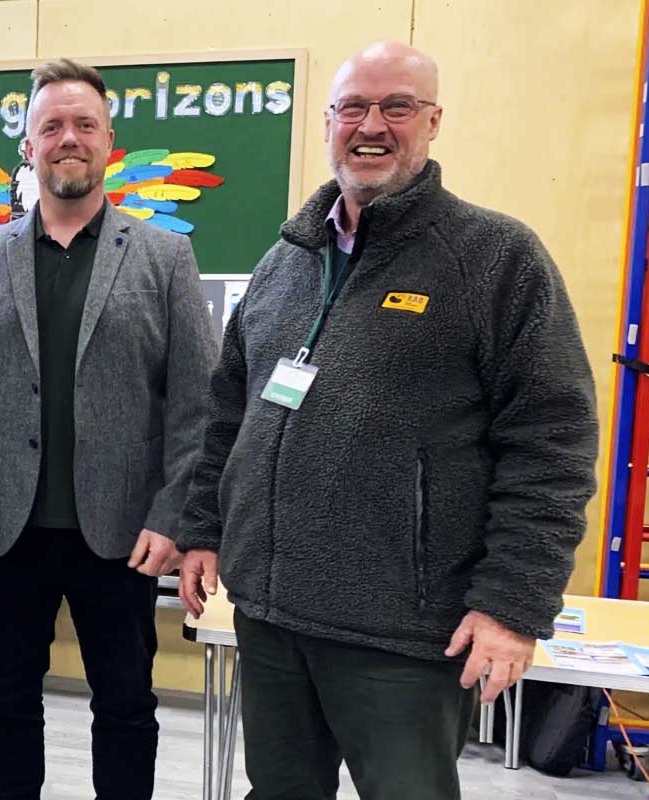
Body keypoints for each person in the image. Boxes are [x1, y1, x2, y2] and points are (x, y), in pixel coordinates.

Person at [177, 41, 599, 800]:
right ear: (329, 123)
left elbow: (553, 444)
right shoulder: (285, 262)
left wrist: (511, 604)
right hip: (271, 615)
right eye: (353, 108)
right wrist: (205, 529)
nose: (372, 125)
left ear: (433, 121)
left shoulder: (496, 259)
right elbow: (228, 415)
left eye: (396, 107)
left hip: (404, 634)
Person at [0, 58, 218, 800]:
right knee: (5, 703)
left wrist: (174, 516)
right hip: (4, 530)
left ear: (110, 141)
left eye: (84, 124)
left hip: (123, 534)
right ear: (29, 145)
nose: (68, 138)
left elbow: (196, 405)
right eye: (52, 126)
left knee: (125, 706)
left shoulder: (164, 257)